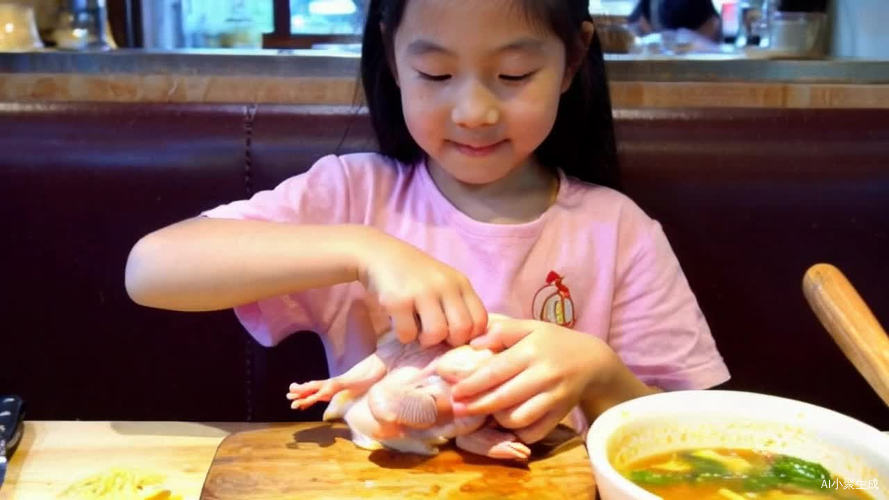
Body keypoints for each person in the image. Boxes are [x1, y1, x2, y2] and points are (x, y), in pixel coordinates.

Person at [125, 0, 729, 444]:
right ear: (392, 56)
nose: (474, 111)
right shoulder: (355, 194)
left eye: (515, 75)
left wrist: (599, 375)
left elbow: (691, 438)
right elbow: (150, 268)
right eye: (436, 75)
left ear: (571, 61)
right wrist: (363, 250)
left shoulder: (616, 229)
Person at [628, 0, 722, 41]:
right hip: (661, 57)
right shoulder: (650, 2)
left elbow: (713, 23)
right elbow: (637, 22)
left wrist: (692, 40)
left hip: (697, 56)